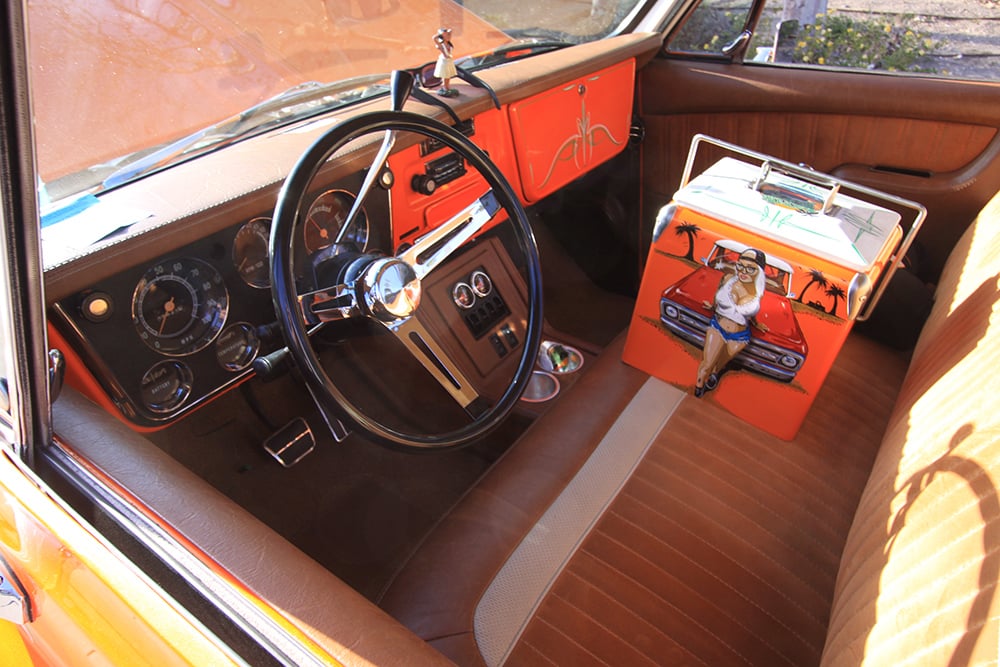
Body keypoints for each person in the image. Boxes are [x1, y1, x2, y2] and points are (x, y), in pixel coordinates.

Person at [695, 248, 770, 397]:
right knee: (707, 364)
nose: (743, 271)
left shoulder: (758, 292)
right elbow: (717, 295)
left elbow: (751, 313)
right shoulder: (728, 278)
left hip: (740, 337)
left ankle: (715, 375)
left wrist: (756, 323)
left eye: (750, 268)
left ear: (759, 272)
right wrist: (713, 306)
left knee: (719, 364)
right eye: (740, 266)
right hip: (718, 327)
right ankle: (697, 392)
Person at [433, 28, 458, 97]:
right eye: (447, 36)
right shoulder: (441, 45)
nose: (449, 37)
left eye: (448, 35)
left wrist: (447, 32)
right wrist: (441, 34)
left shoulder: (448, 43)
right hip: (444, 62)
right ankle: (445, 87)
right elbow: (434, 38)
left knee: (448, 75)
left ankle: (447, 87)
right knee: (445, 75)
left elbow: (451, 30)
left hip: (449, 61)